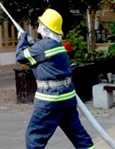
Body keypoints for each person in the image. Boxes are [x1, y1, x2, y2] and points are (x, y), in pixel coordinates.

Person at [16, 9, 95, 149]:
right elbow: (43, 54)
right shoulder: (56, 45)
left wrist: (22, 39)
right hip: (67, 98)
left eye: (40, 24)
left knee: (34, 138)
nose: (38, 26)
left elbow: (20, 56)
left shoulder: (42, 46)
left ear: (45, 27)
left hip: (50, 101)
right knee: (79, 136)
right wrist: (32, 43)